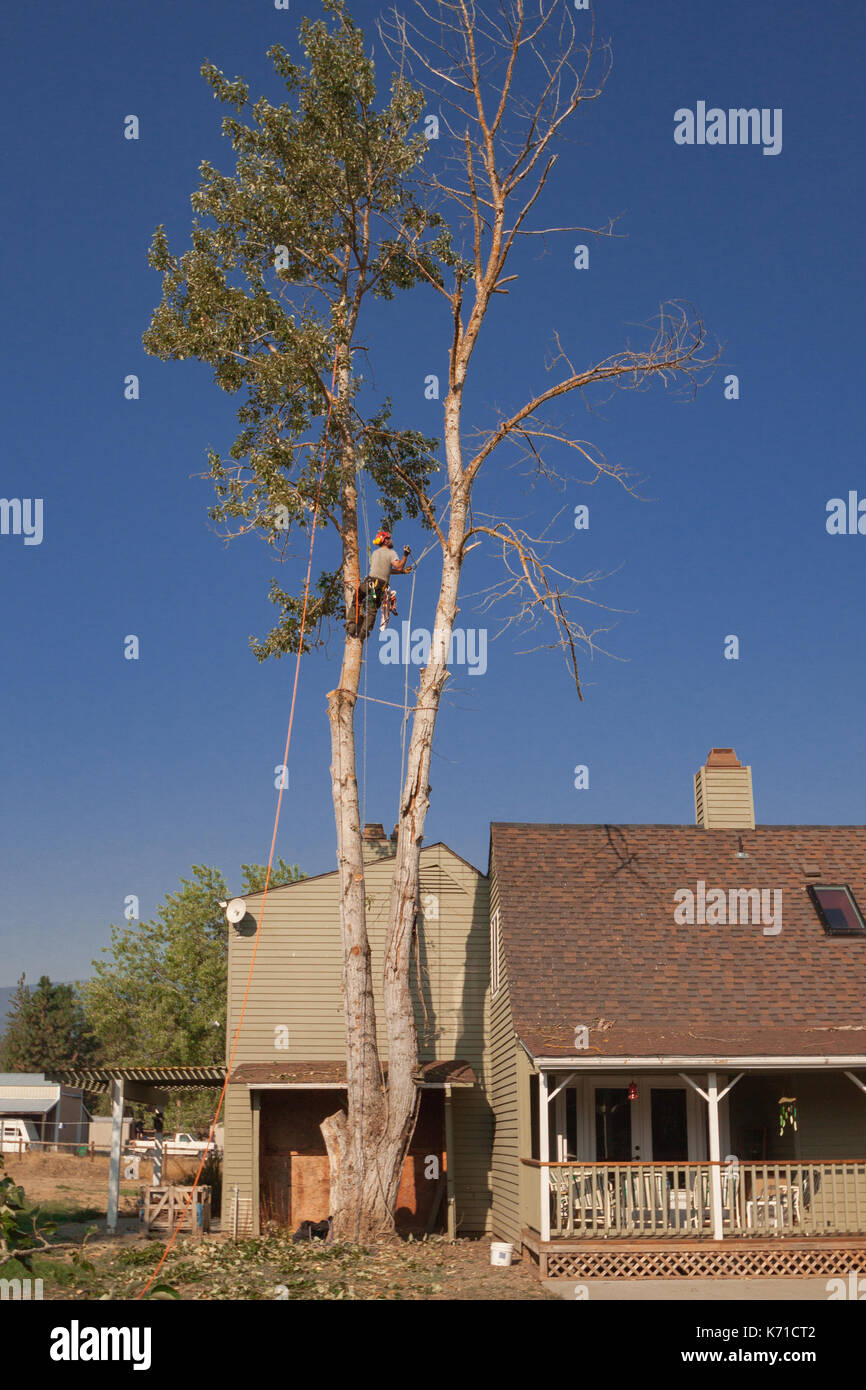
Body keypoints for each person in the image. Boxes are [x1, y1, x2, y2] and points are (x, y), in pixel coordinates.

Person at [346, 528, 412, 640]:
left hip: (369, 583)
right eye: (388, 539)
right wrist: (405, 555)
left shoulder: (375, 553)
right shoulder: (391, 553)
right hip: (379, 587)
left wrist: (403, 572)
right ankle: (363, 633)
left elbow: (386, 569)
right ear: (385, 541)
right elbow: (398, 566)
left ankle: (351, 626)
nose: (391, 540)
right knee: (372, 610)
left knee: (357, 599)